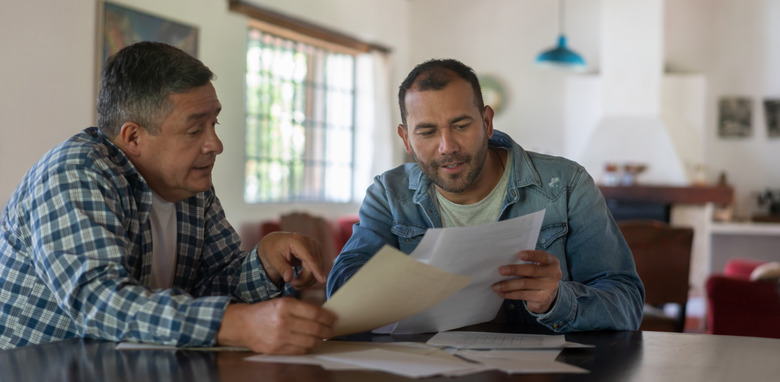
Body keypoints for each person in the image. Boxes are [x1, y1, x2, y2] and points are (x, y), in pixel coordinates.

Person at [0, 41, 336, 353]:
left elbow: (213, 286)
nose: (215, 145)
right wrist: (231, 324)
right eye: (194, 130)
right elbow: (100, 304)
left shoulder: (188, 186)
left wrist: (265, 262)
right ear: (133, 137)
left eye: (214, 123)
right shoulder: (75, 173)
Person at [327, 58, 644, 333]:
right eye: (426, 131)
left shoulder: (566, 185)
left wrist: (556, 300)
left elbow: (627, 303)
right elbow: (341, 297)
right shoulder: (388, 194)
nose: (447, 146)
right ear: (406, 138)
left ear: (487, 122)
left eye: (461, 125)